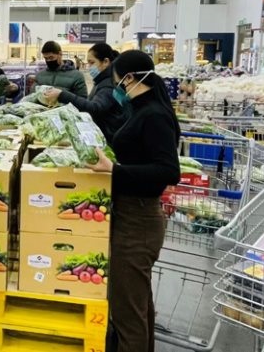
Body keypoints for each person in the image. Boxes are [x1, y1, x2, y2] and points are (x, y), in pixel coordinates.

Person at [85, 50, 180, 352]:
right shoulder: (141, 109)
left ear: (128, 78)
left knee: (128, 312)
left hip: (138, 222)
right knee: (136, 303)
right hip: (131, 214)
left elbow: (169, 171)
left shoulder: (154, 115)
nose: (115, 87)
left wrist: (115, 170)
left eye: (116, 81)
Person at [42, 43, 125, 141]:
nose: (89, 67)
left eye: (92, 62)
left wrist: (62, 95)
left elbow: (95, 108)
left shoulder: (108, 85)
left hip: (108, 138)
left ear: (105, 62)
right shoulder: (102, 81)